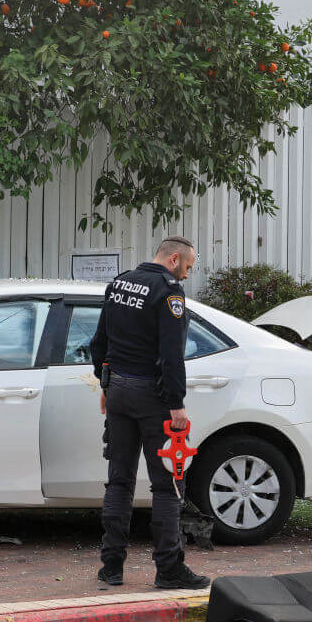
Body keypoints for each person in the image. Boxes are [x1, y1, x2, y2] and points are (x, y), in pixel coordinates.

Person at [89, 235, 211, 590]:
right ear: (174, 259)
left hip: (119, 392)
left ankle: (111, 566)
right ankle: (169, 568)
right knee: (167, 484)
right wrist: (177, 404)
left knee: (119, 480)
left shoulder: (120, 282)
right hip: (152, 395)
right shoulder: (168, 292)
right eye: (188, 267)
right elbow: (172, 354)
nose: (187, 275)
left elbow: (100, 341)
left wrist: (104, 384)